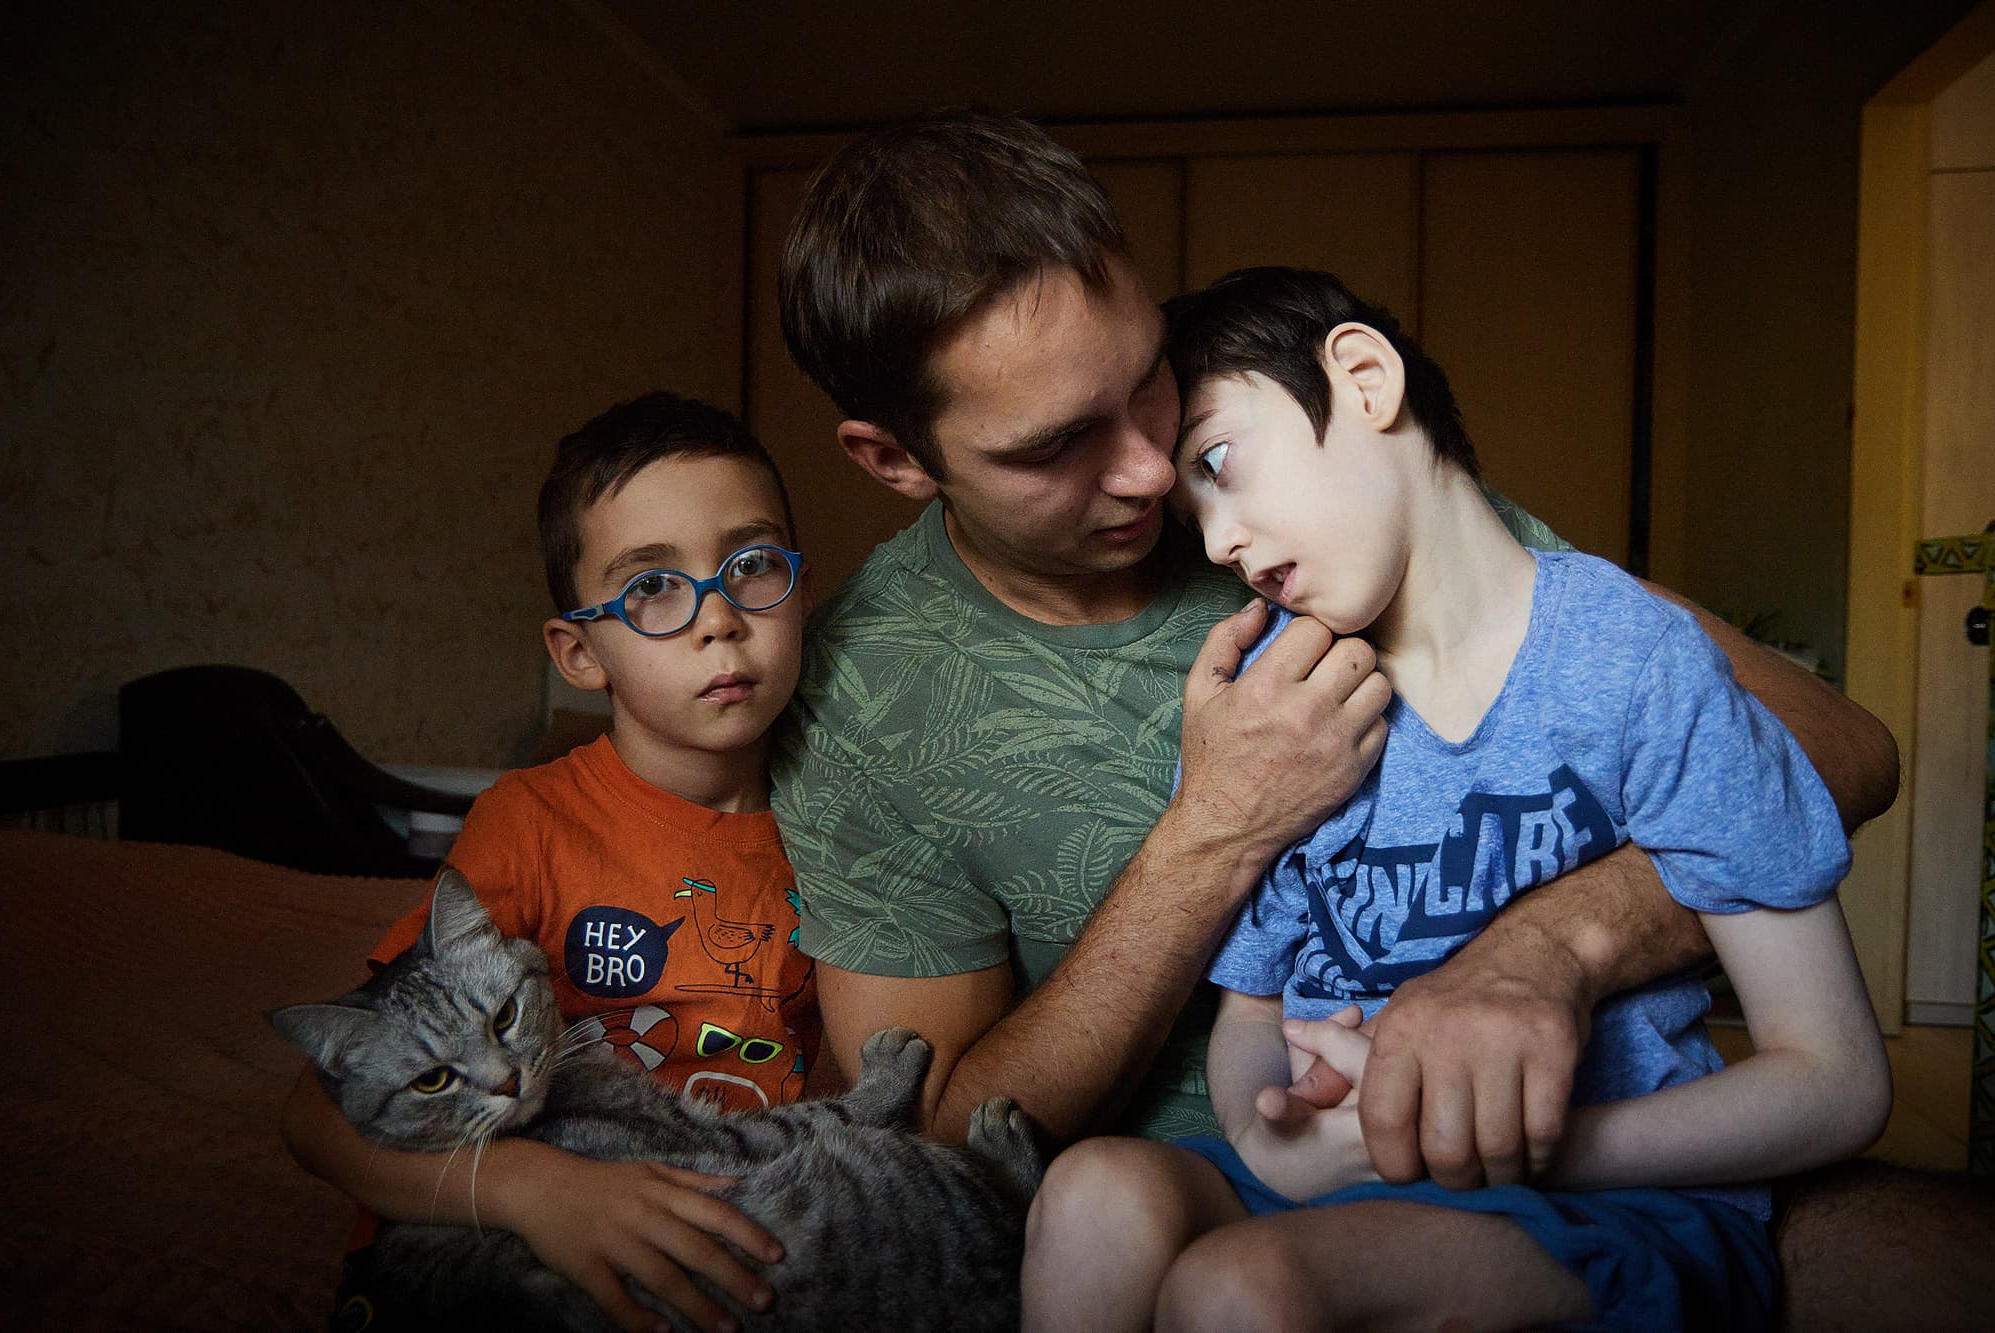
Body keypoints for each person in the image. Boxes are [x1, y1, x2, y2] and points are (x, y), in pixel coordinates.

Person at [770, 107, 1896, 1173]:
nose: (1153, 474)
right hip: (1197, 1177)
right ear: (894, 460)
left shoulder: (1319, 494)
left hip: (1539, 1141)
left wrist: (1547, 949)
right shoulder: (862, 697)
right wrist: (1215, 831)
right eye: (1055, 444)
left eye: (1149, 377)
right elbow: (936, 1145)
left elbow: (1840, 751)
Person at [1019, 265, 1892, 1331]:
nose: (1216, 542)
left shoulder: (1635, 661)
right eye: (1190, 514)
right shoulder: (1276, 710)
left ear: (1363, 378)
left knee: (1240, 1286)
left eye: (1217, 464)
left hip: (1605, 1197)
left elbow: (1836, 1080)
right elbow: (1251, 1015)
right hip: (1335, 1176)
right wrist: (1269, 1138)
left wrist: (1509, 1144)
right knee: (1090, 1195)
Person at [282, 391, 816, 1333]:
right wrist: (537, 1192)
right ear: (579, 653)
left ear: (802, 590)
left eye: (752, 564)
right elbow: (315, 1116)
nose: (720, 617)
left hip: (745, 1221)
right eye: (653, 586)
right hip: (542, 1215)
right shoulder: (530, 822)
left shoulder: (846, 822)